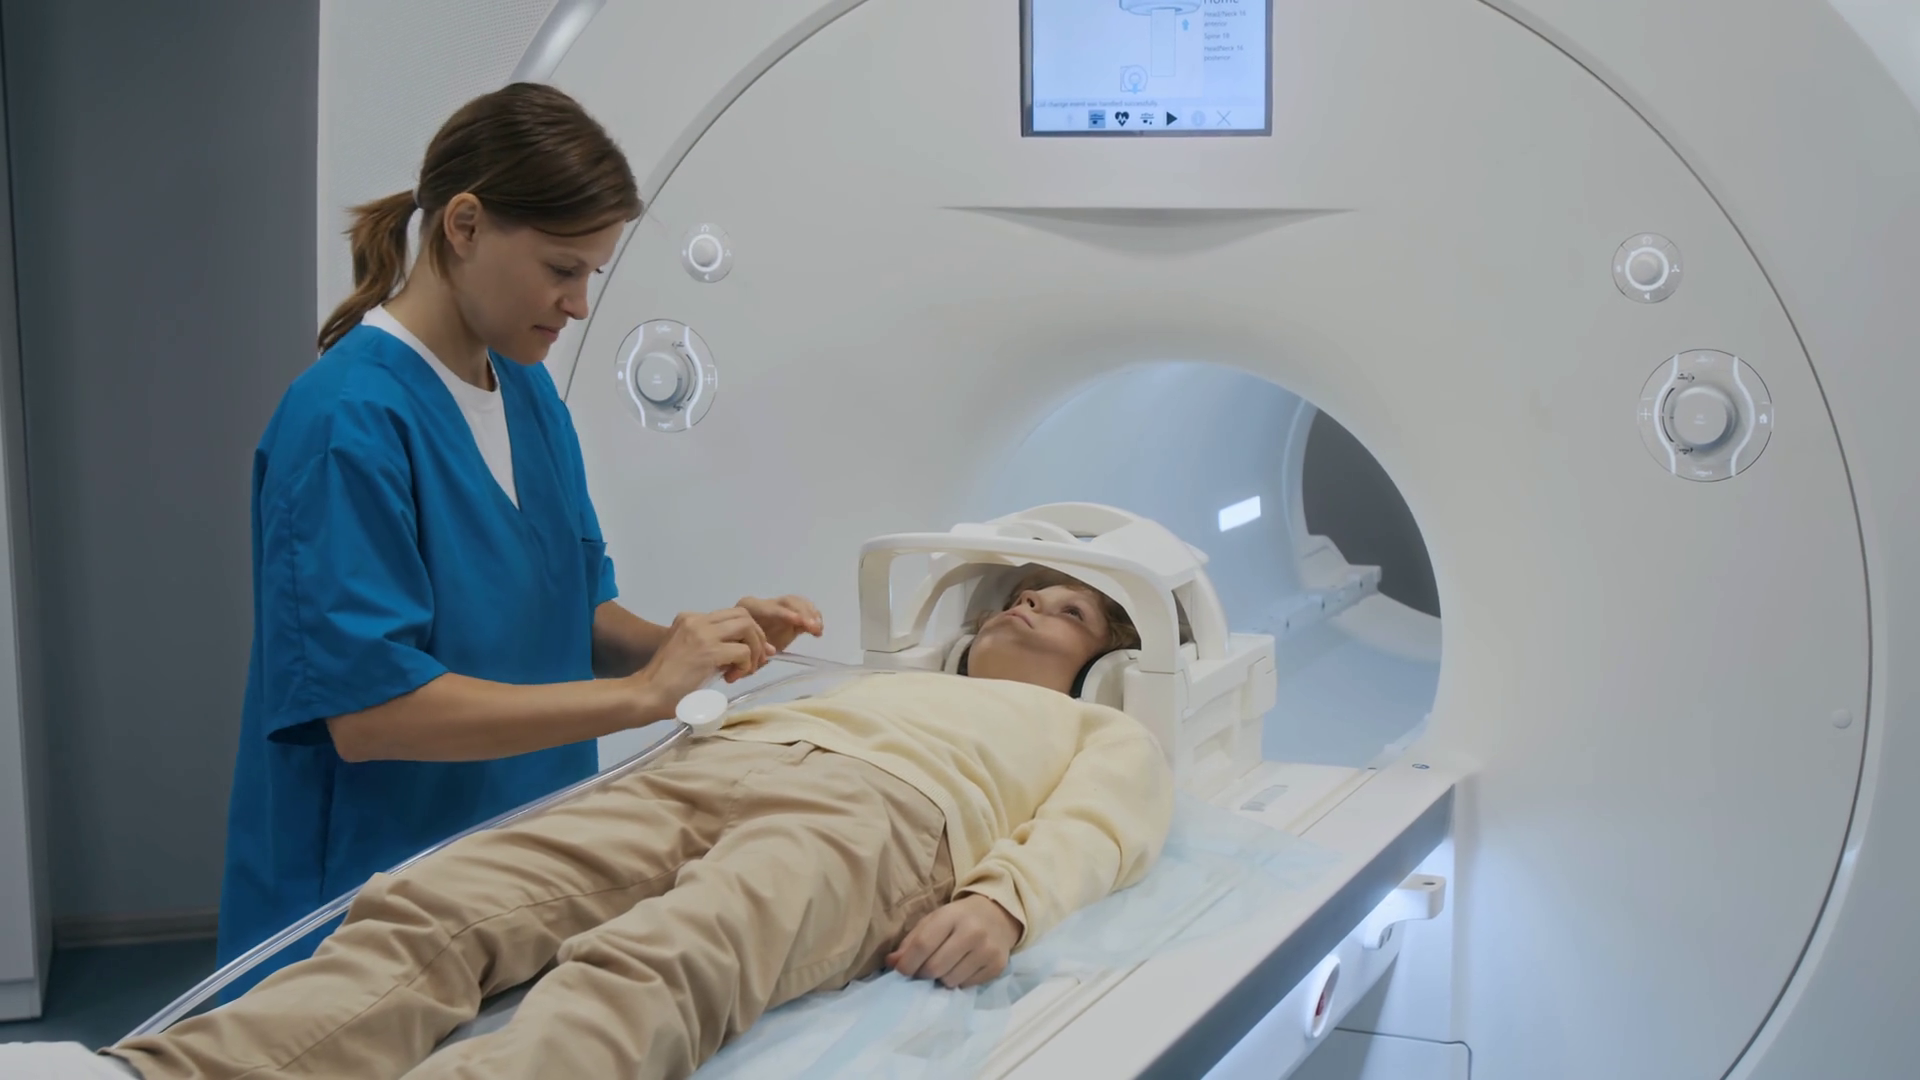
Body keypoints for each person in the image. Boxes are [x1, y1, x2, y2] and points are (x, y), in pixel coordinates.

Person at [80, 566, 1178, 1080]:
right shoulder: (873, 678)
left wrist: (1004, 902)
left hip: (883, 815)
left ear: (1106, 660)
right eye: (1023, 591)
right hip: (720, 760)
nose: (1029, 604)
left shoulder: (1096, 728)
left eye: (1067, 608)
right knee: (442, 905)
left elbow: (1098, 827)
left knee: (666, 956)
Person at [216, 82, 823, 996]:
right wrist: (641, 699)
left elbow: (571, 614)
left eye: (592, 276)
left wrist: (691, 645)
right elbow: (371, 715)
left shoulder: (526, 390)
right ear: (464, 225)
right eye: (561, 268)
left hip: (514, 878)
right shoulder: (346, 422)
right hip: (364, 911)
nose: (577, 304)